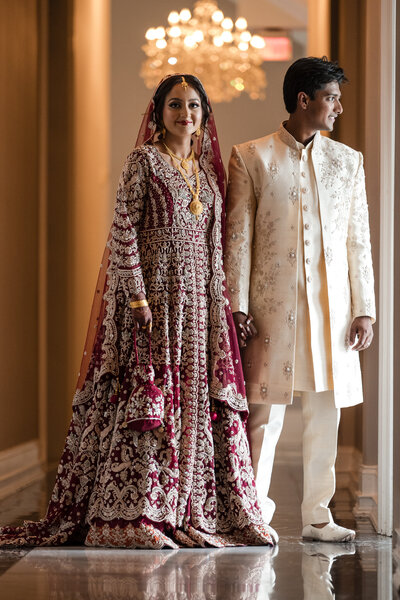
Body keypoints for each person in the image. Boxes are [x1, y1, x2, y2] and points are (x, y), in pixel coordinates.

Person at [0, 74, 276, 549]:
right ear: (157, 111)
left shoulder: (209, 175)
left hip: (199, 311)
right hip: (151, 307)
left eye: (193, 106)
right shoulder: (143, 163)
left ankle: (192, 511)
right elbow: (123, 230)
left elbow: (216, 249)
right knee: (151, 403)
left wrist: (222, 308)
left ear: (204, 115)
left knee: (198, 406)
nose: (184, 114)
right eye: (174, 105)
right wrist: (137, 298)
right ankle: (137, 515)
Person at [224, 57, 375, 543]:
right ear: (304, 100)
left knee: (325, 411)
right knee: (264, 415)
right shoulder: (251, 157)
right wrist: (238, 304)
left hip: (331, 312)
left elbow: (358, 241)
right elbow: (238, 238)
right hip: (271, 311)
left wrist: (364, 307)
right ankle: (254, 513)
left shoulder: (347, 162)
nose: (339, 107)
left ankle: (317, 516)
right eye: (331, 98)